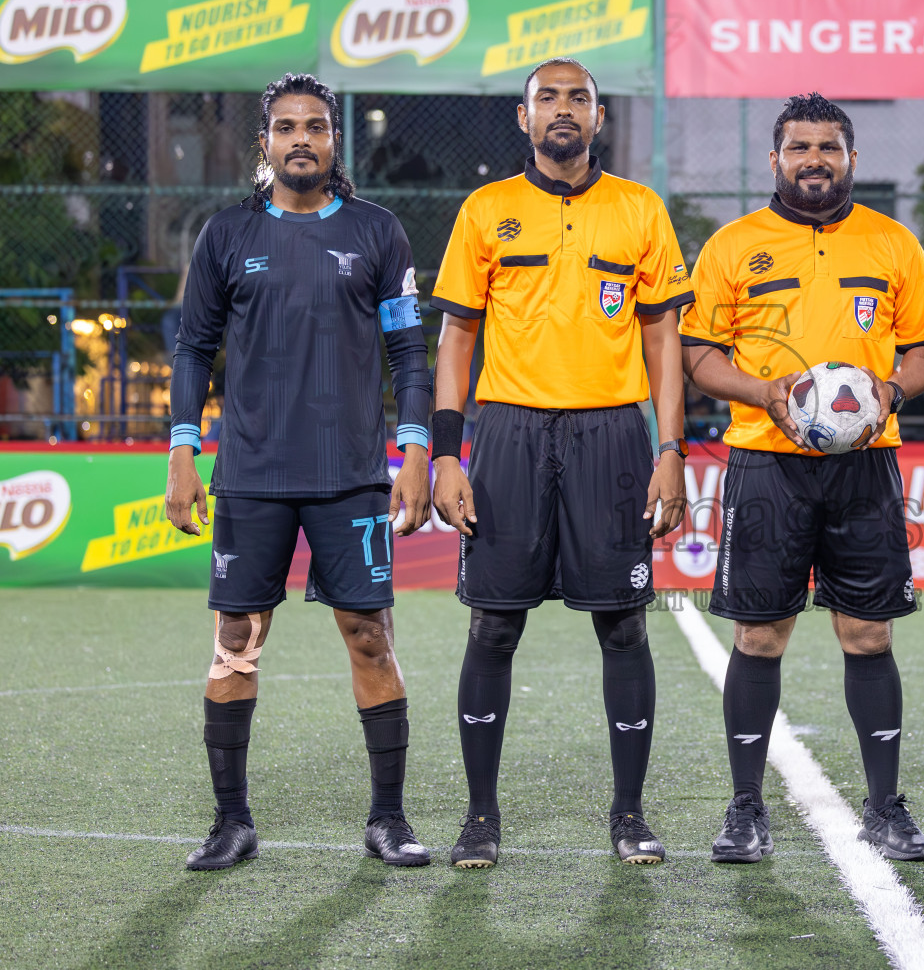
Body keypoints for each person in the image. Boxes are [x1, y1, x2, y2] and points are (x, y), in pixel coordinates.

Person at [166, 73, 433, 871]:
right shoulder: (225, 236)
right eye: (286, 127)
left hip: (351, 474)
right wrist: (183, 451)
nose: (301, 139)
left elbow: (409, 353)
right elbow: (192, 349)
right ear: (266, 143)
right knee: (236, 644)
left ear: (333, 140)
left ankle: (387, 819)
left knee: (370, 639)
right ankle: (231, 822)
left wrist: (414, 449)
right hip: (248, 474)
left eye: (315, 126)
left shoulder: (379, 233)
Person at [429, 56, 690, 869]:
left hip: (612, 434)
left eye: (579, 97)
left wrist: (671, 448)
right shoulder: (487, 210)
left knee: (622, 626)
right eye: (549, 97)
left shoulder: (640, 211)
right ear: (524, 117)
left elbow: (662, 338)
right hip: (506, 434)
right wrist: (446, 452)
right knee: (495, 626)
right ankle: (479, 818)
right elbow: (457, 338)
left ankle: (629, 814)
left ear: (599, 117)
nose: (564, 109)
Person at [680, 93, 924, 863]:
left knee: (868, 631)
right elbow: (698, 356)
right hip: (767, 464)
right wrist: (766, 394)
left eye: (829, 147)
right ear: (775, 159)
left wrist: (888, 393)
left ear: (852, 158)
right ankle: (745, 809)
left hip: (866, 465)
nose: (815, 160)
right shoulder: (733, 246)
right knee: (759, 635)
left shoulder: (895, 244)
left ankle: (886, 807)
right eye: (800, 147)